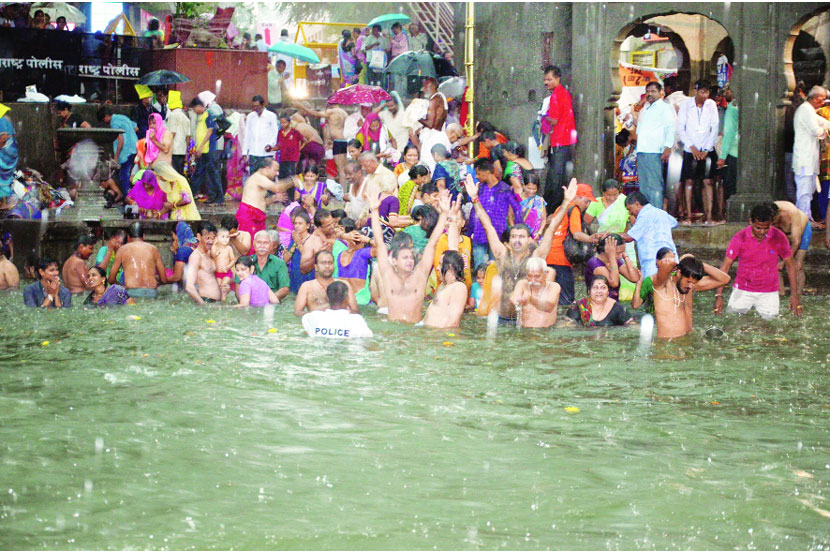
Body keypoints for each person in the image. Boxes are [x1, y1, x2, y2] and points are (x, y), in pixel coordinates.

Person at [467, 174, 578, 325]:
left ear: (529, 240)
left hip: (524, 320)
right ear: (509, 240)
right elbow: (488, 226)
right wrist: (475, 199)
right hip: (501, 318)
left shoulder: (536, 258)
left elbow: (551, 229)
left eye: (521, 237)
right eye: (514, 237)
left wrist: (566, 202)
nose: (517, 240)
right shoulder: (501, 254)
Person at [370, 187, 451, 323]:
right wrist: (374, 211)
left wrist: (444, 213)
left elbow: (432, 243)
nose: (410, 261)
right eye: (405, 257)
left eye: (410, 257)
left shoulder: (420, 275)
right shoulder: (388, 275)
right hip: (392, 333)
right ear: (394, 261)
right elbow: (379, 241)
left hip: (415, 332)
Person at [714, 203, 801, 319]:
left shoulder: (778, 237)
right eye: (758, 227)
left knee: (770, 327)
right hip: (742, 290)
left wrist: (794, 296)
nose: (762, 232)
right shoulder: (740, 237)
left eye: (766, 228)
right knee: (733, 324)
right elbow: (725, 267)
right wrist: (719, 295)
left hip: (769, 292)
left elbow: (791, 266)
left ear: (771, 224)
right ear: (751, 222)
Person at [650, 254, 730, 339]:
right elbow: (662, 269)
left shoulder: (690, 286)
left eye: (693, 283)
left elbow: (725, 279)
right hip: (668, 346)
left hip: (687, 342)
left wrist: (697, 264)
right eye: (688, 281)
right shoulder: (663, 287)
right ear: (679, 273)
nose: (691, 286)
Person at [544, 182, 596, 306]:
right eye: (586, 201)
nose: (587, 205)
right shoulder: (574, 209)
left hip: (548, 255)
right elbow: (577, 234)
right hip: (560, 258)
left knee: (551, 295)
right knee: (567, 301)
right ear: (577, 197)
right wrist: (592, 239)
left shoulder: (560, 207)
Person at [676, 80, 719, 225]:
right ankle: (688, 215)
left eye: (707, 92)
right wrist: (692, 147)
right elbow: (681, 128)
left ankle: (709, 216)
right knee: (689, 182)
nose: (705, 95)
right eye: (702, 92)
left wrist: (706, 149)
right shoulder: (686, 105)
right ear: (696, 91)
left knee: (708, 182)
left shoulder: (711, 105)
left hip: (707, 148)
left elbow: (715, 127)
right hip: (690, 149)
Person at [468, 157, 524, 267]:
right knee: (480, 269)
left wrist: (518, 230)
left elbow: (517, 209)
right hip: (480, 234)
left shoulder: (505, 189)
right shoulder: (478, 189)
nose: (476, 176)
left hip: (498, 235)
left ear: (487, 172)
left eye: (478, 173)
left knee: (498, 269)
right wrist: (469, 231)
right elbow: (474, 211)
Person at [633, 81, 675, 208]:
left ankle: (657, 215)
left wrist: (667, 147)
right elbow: (639, 131)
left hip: (655, 151)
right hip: (642, 151)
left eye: (653, 91)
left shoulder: (665, 108)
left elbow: (671, 128)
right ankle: (647, 216)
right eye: (648, 91)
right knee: (644, 186)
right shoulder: (645, 109)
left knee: (655, 186)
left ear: (660, 92)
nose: (650, 94)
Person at [236, 158, 298, 244]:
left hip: (256, 215)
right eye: (275, 170)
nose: (277, 173)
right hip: (249, 215)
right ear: (267, 168)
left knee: (258, 243)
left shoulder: (260, 179)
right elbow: (277, 188)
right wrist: (292, 180)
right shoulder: (258, 177)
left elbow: (260, 202)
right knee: (249, 244)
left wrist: (273, 198)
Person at [621, 191, 678, 279]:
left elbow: (629, 237)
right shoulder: (660, 212)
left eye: (630, 209)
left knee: (653, 290)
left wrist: (608, 235)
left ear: (637, 204)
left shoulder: (645, 215)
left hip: (653, 262)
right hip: (671, 258)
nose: (630, 213)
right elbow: (674, 223)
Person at [542, 65, 576, 208]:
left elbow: (554, 120)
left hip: (561, 140)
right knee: (558, 175)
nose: (546, 82)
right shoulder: (563, 93)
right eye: (545, 79)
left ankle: (553, 208)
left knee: (556, 177)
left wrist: (544, 116)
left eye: (549, 79)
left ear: (558, 79)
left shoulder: (556, 95)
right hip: (565, 139)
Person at [793, 85, 830, 219]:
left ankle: (807, 219)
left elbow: (825, 123)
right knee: (804, 192)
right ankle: (804, 220)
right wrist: (825, 132)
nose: (823, 102)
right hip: (804, 159)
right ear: (815, 98)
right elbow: (816, 131)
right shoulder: (805, 110)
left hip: (810, 159)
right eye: (822, 99)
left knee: (808, 192)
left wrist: (825, 128)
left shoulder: (810, 110)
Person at [108, 222, 167, 299]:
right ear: (143, 236)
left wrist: (122, 287)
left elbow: (111, 279)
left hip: (131, 293)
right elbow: (164, 279)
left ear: (128, 237)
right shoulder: (153, 249)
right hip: (151, 293)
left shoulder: (122, 250)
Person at [297, 101, 349, 185]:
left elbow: (316, 114)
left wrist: (302, 107)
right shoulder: (344, 113)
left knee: (340, 169)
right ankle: (342, 190)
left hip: (338, 142)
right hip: (342, 141)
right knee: (341, 168)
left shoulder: (332, 111)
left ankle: (343, 192)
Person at [294, 250, 358, 315]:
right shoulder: (307, 286)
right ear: (316, 267)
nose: (327, 266)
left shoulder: (344, 285)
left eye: (330, 263)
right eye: (323, 263)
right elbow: (297, 312)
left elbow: (355, 311)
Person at [302, 281, 373, 339]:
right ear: (347, 298)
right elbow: (368, 337)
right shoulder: (357, 320)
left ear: (327, 298)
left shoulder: (313, 317)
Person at [770, 201, 810, 299]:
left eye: (773, 221)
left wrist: (785, 261)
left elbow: (796, 242)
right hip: (782, 233)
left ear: (779, 214)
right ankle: (780, 294)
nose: (772, 224)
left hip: (800, 233)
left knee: (798, 266)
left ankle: (797, 296)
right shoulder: (767, 212)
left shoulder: (791, 212)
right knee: (776, 264)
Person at [583, 234, 641, 300]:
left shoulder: (615, 260)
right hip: (598, 304)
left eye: (621, 253)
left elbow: (635, 278)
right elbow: (614, 283)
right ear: (607, 250)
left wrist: (625, 256)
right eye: (618, 253)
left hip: (612, 304)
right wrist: (612, 256)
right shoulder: (595, 263)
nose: (620, 256)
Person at [508, 257, 560, 328]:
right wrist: (514, 302)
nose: (533, 281)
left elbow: (549, 307)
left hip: (546, 331)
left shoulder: (554, 287)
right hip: (525, 331)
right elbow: (512, 308)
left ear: (546, 274)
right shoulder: (522, 284)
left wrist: (531, 299)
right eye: (529, 276)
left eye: (537, 276)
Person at [98, 105, 138, 197]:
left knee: (124, 176)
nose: (104, 122)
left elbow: (120, 139)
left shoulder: (114, 122)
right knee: (128, 174)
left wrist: (116, 157)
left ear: (106, 116)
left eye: (103, 119)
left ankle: (128, 198)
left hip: (126, 151)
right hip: (135, 148)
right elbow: (136, 128)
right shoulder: (122, 117)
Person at [190, 97, 223, 205]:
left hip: (209, 150)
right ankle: (197, 194)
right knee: (201, 173)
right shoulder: (200, 117)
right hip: (202, 151)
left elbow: (209, 132)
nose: (194, 111)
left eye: (195, 108)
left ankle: (218, 198)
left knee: (213, 174)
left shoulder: (208, 115)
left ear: (200, 107)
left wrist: (201, 147)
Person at [333, 217, 374, 305]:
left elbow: (332, 232)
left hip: (342, 301)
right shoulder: (363, 254)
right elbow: (383, 248)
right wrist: (368, 240)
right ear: (362, 243)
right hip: (362, 302)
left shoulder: (339, 253)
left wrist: (343, 236)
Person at [423, 249, 468, 328]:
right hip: (430, 334)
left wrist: (443, 337)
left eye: (440, 264)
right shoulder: (442, 286)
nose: (437, 268)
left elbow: (454, 320)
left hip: (439, 336)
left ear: (450, 268)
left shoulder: (458, 287)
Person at [566, 275, 633, 327]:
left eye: (603, 288)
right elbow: (568, 326)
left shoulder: (618, 308)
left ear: (608, 292)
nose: (599, 291)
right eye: (595, 288)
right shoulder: (578, 306)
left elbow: (631, 326)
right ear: (589, 291)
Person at [183, 222, 221, 304]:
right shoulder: (196, 257)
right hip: (206, 301)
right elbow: (189, 287)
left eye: (213, 238)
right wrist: (203, 305)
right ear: (199, 237)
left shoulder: (210, 254)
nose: (210, 241)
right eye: (207, 238)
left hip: (214, 303)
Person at [716, 83, 739, 204]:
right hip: (746, 151)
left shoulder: (732, 107)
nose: (725, 93)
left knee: (730, 185)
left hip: (733, 151)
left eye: (728, 90)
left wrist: (722, 156)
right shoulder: (747, 105)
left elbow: (729, 132)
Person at [250, 230, 290, 301]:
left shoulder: (280, 263)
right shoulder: (246, 262)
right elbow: (238, 287)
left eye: (265, 243)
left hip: (272, 304)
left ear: (271, 245)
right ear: (253, 244)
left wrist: (266, 300)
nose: (262, 246)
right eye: (259, 242)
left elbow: (285, 289)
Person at [244, 95, 278, 174]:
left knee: (267, 176)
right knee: (254, 176)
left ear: (263, 105)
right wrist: (245, 151)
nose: (255, 108)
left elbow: (275, 132)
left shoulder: (271, 116)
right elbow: (247, 134)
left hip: (266, 152)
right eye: (253, 106)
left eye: (257, 106)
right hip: (253, 152)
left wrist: (270, 144)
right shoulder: (250, 116)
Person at [166, 90, 191, 175]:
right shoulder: (185, 117)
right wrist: (186, 150)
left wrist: (166, 147)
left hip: (174, 150)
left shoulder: (173, 115)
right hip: (182, 149)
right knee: (180, 172)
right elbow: (188, 137)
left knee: (174, 173)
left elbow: (171, 134)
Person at [211, 227, 237, 302]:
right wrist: (215, 251)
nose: (225, 239)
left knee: (223, 285)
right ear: (216, 238)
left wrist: (228, 267)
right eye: (222, 237)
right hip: (217, 273)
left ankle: (224, 300)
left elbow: (233, 259)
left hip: (227, 273)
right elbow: (212, 254)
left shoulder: (228, 248)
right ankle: (220, 301)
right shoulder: (214, 247)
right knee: (218, 287)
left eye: (227, 237)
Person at [0, 103, 19, 204]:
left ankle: (4, 203)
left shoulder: (1, 120)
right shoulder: (5, 118)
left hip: (5, 155)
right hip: (9, 154)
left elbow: (3, 138)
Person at [519, 173, 547, 240]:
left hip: (535, 237)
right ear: (524, 186)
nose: (531, 191)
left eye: (534, 189)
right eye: (529, 188)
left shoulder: (539, 200)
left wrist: (539, 232)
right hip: (519, 236)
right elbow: (510, 216)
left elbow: (544, 219)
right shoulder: (516, 199)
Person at [276, 112, 303, 180]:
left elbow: (304, 140)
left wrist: (298, 150)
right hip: (282, 158)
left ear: (289, 122)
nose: (283, 124)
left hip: (292, 159)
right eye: (281, 123)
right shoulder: (280, 132)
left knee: (290, 177)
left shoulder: (295, 132)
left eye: (285, 122)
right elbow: (279, 144)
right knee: (282, 177)